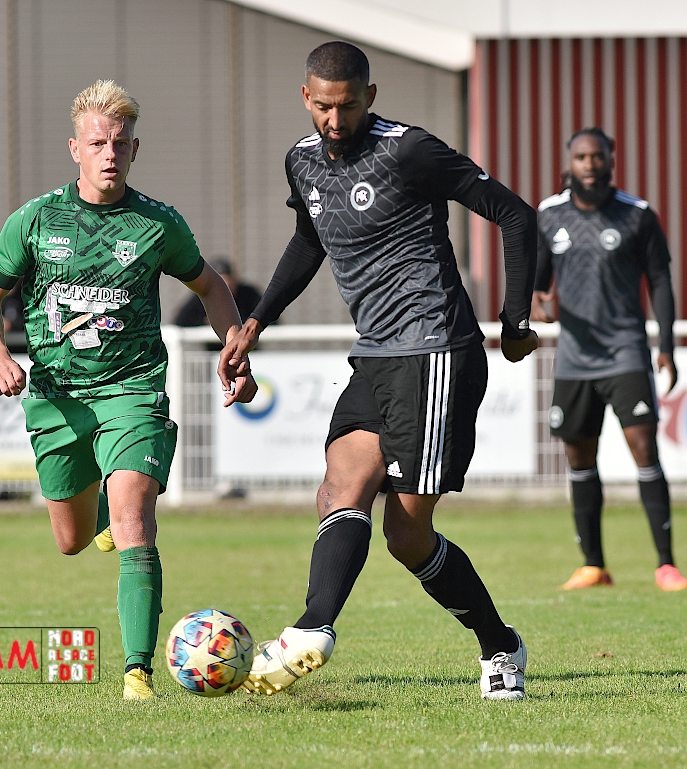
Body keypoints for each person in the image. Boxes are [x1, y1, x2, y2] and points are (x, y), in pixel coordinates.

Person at [219, 42, 540, 701]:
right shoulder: (302, 160)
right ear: (305, 97)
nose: (334, 121)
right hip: (376, 354)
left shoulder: (408, 150)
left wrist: (513, 322)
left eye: (347, 106)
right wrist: (255, 322)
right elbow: (310, 238)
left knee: (406, 534)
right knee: (339, 486)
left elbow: (514, 213)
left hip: (436, 351)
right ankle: (312, 628)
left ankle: (500, 646)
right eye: (322, 107)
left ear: (370, 96)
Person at [0, 80, 256, 700]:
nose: (109, 154)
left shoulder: (157, 224)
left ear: (134, 150)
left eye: (120, 144)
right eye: (97, 143)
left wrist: (234, 348)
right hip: (57, 396)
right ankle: (95, 514)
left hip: (133, 389)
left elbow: (209, 285)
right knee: (71, 540)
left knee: (135, 520)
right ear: (75, 148)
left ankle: (137, 672)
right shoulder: (36, 220)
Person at [532, 127, 687, 592]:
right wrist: (537, 302)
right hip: (574, 357)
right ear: (570, 161)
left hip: (626, 351)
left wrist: (667, 346)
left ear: (611, 160)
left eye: (597, 156)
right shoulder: (549, 214)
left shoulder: (636, 214)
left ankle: (666, 565)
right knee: (578, 456)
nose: (589, 164)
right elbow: (538, 281)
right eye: (581, 156)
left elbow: (660, 282)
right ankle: (593, 566)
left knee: (644, 448)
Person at [174, 258, 262, 328]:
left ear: (234, 281)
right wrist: (206, 322)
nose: (223, 289)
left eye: (227, 284)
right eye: (219, 284)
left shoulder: (248, 294)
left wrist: (237, 322)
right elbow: (181, 321)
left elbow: (264, 317)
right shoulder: (202, 295)